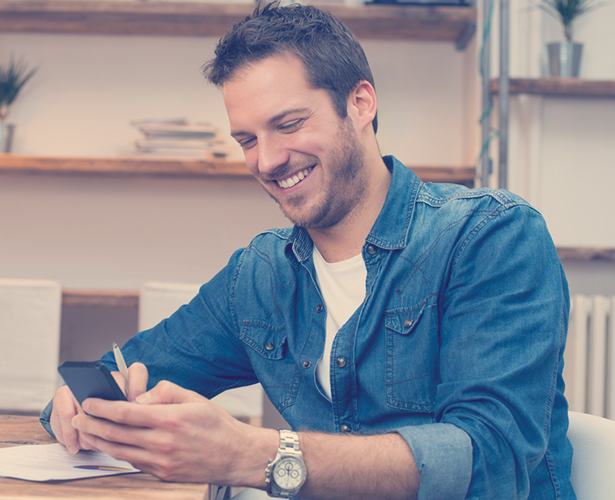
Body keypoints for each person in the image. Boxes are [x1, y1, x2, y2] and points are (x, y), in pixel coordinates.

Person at [41, 3, 575, 499]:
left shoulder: (489, 236)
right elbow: (117, 374)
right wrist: (82, 407)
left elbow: (492, 458)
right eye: (247, 140)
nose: (268, 160)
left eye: (289, 124)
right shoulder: (260, 276)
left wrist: (258, 454)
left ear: (361, 103)